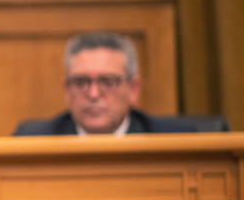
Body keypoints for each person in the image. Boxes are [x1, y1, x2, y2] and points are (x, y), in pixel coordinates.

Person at [14, 32, 197, 136]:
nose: (93, 94)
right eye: (81, 82)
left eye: (108, 82)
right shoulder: (32, 141)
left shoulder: (175, 141)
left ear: (133, 89)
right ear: (66, 90)